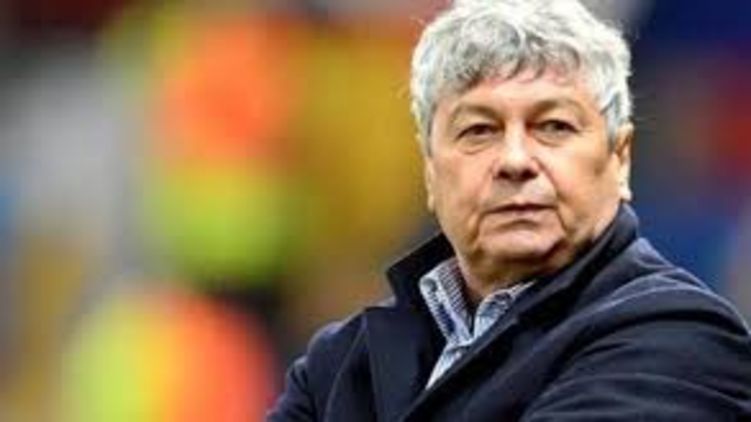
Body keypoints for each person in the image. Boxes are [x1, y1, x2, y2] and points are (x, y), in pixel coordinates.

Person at [268, 0, 751, 420]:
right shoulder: (341, 358)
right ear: (431, 170)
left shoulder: (678, 337)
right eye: (479, 131)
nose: (515, 161)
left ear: (619, 157)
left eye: (554, 127)